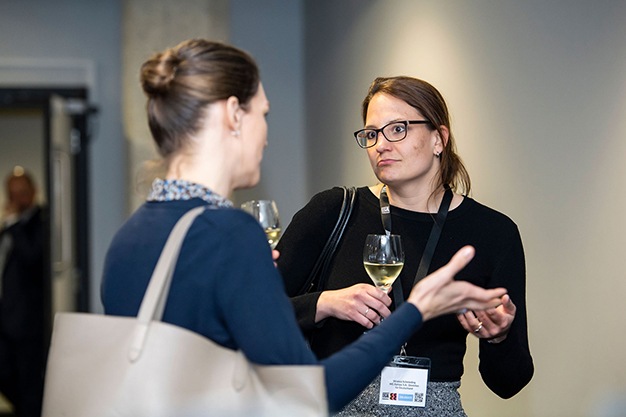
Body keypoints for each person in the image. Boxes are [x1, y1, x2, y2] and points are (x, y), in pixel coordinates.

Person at [100, 39, 507, 415]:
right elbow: (312, 390)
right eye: (263, 114)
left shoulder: (130, 236)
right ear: (233, 115)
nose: (265, 137)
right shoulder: (230, 233)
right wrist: (417, 310)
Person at [276, 76, 534, 416]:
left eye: (398, 129)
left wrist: (498, 336)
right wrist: (325, 303)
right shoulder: (334, 211)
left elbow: (509, 384)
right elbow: (255, 315)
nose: (380, 145)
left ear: (439, 139)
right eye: (371, 134)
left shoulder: (493, 233)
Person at [0, 169, 46, 417]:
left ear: (33, 191)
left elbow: (32, 258)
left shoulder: (41, 221)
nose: (18, 199)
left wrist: (15, 224)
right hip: (5, 316)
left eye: (22, 193)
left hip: (28, 320)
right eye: (13, 194)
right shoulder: (9, 226)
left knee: (29, 382)